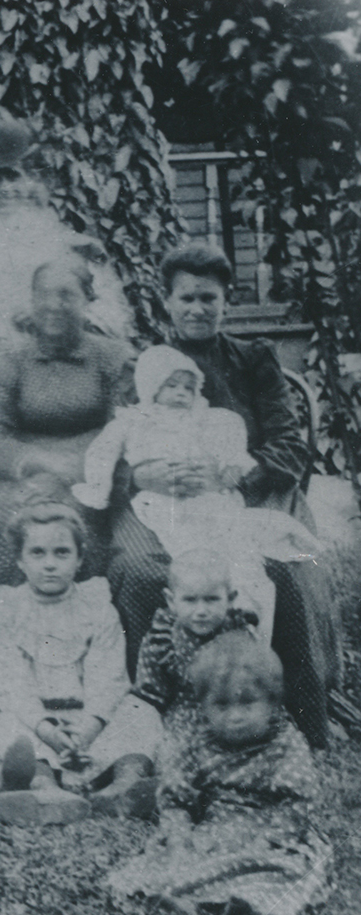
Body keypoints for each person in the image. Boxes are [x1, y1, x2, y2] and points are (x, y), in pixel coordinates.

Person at [102, 243, 340, 747]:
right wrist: (145, 477)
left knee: (287, 569)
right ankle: (161, 723)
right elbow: (114, 444)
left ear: (226, 300)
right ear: (166, 301)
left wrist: (233, 475)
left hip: (246, 496)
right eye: (186, 298)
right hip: (158, 502)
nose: (197, 309)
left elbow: (290, 446)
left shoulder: (254, 359)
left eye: (208, 298)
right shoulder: (144, 366)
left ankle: (293, 715)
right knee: (145, 573)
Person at [73, 344, 321, 642]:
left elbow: (274, 449)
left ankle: (245, 604)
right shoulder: (134, 416)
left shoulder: (217, 406)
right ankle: (164, 659)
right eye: (171, 386)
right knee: (171, 555)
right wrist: (120, 481)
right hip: (160, 501)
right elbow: (103, 450)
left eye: (188, 388)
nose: (180, 394)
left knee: (240, 545)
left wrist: (233, 474)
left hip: (222, 494)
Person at [108, 633, 332, 915]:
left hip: (272, 832)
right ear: (203, 707)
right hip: (215, 829)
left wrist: (269, 838)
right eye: (222, 705)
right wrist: (179, 834)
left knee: (286, 867)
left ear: (273, 702)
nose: (235, 716)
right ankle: (183, 901)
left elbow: (298, 801)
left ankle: (251, 907)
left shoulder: (283, 744)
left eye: (247, 703)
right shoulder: (199, 742)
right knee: (171, 861)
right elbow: (177, 796)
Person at [0, 503, 160, 826]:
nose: (50, 565)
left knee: (139, 712)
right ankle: (42, 786)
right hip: (36, 720)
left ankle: (123, 786)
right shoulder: (6, 610)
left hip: (89, 719)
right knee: (4, 725)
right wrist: (46, 729)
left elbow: (109, 678)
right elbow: (10, 684)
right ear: (20, 559)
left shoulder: (98, 607)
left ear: (79, 558)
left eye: (61, 553)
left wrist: (88, 728)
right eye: (38, 553)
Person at [0, 256, 133, 584]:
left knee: (72, 523)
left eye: (66, 295)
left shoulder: (114, 358)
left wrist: (71, 471)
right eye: (42, 295)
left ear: (87, 300)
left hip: (93, 481)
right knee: (8, 520)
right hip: (21, 483)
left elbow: (124, 430)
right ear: (31, 301)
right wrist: (44, 465)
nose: (53, 305)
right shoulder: (7, 361)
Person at [0, 113, 131, 352]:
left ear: (33, 178)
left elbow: (115, 321)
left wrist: (55, 316)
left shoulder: (68, 248)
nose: (5, 188)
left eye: (14, 177)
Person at [130, 549, 259, 744]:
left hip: (235, 713)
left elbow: (258, 684)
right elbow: (149, 697)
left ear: (230, 599)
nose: (201, 611)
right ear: (171, 601)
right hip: (187, 722)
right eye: (190, 600)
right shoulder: (162, 641)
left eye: (211, 599)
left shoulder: (240, 632)